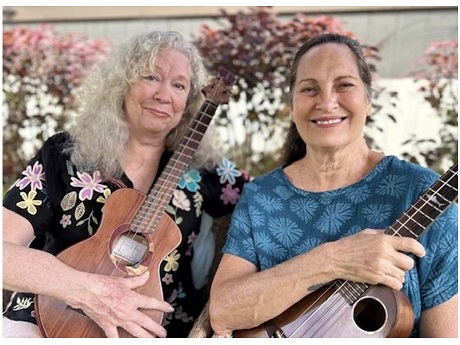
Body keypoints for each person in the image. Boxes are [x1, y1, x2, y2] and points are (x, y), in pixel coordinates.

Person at [3, 30, 249, 338]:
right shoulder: (65, 155)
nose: (164, 95)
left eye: (179, 85)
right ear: (122, 84)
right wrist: (87, 291)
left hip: (151, 329)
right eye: (150, 77)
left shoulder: (204, 171)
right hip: (46, 318)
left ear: (189, 102)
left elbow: (277, 197)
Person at [209, 33, 458, 338]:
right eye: (309, 89)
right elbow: (222, 313)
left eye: (344, 85)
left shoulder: (424, 194)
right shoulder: (262, 197)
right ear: (292, 105)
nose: (326, 102)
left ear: (368, 98)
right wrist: (334, 260)